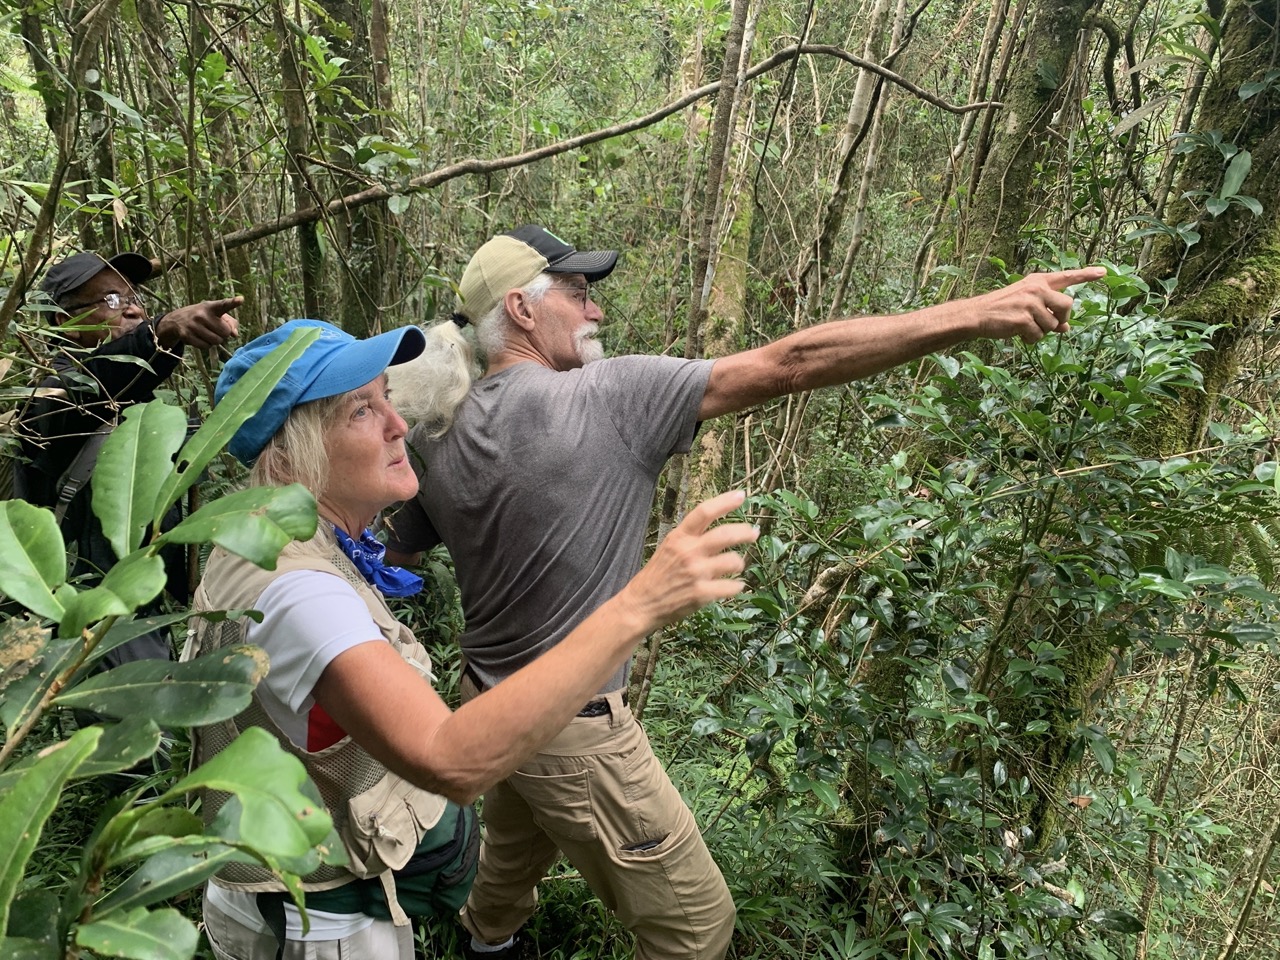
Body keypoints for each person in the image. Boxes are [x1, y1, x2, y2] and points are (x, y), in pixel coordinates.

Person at [381, 224, 1105, 960]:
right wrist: (974, 313)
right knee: (699, 931)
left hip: (490, 710)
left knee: (501, 885)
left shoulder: (437, 433)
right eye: (578, 293)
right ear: (524, 310)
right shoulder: (609, 398)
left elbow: (397, 553)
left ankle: (487, 944)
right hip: (575, 732)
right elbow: (791, 362)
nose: (596, 310)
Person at [187, 318, 756, 960]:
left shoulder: (251, 534)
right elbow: (449, 759)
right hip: (324, 923)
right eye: (360, 411)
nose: (397, 425)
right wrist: (638, 605)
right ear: (287, 453)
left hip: (264, 890)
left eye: (387, 399)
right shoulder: (303, 592)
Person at [15, 250, 240, 668]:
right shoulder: (48, 397)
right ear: (65, 322)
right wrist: (166, 329)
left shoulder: (131, 398)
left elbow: (127, 378)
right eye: (113, 301)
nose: (134, 309)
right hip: (94, 609)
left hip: (141, 600)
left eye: (133, 296)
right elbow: (98, 383)